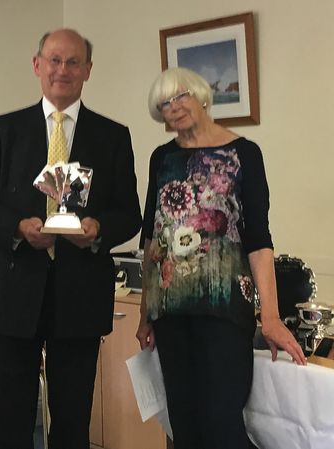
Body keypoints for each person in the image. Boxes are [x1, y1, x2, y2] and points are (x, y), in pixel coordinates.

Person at [0, 29, 142, 449]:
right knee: (8, 421)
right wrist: (17, 227)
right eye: (55, 60)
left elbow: (129, 214)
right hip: (13, 292)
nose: (63, 70)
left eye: (73, 62)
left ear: (88, 70)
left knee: (73, 421)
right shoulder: (4, 129)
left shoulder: (113, 136)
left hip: (80, 296)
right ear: (37, 65)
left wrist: (98, 230)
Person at [136, 67, 307, 449]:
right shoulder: (161, 158)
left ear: (201, 95)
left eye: (180, 96)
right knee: (184, 426)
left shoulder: (244, 153)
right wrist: (146, 312)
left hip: (225, 311)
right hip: (171, 313)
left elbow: (259, 239)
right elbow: (152, 236)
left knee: (222, 426)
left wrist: (271, 316)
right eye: (164, 104)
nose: (174, 107)